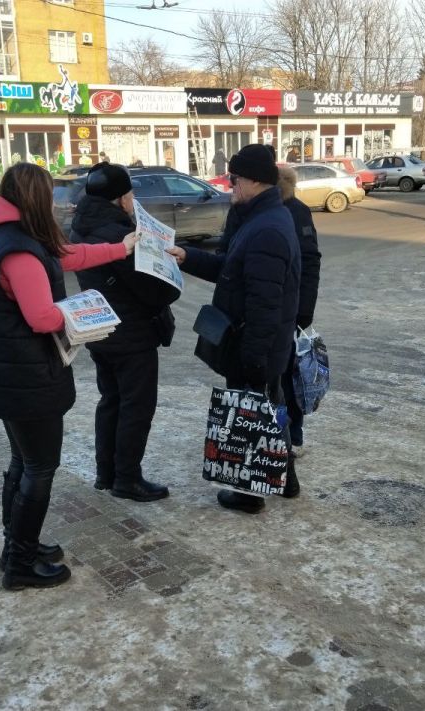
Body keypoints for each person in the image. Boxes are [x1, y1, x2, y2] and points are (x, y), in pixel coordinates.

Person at [0, 162, 139, 590]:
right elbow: (42, 316)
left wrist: (121, 248)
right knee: (40, 467)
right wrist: (82, 313)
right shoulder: (20, 251)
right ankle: (20, 564)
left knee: (23, 462)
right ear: (33, 199)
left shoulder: (11, 236)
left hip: (12, 372)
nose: (56, 202)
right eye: (49, 195)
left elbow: (70, 254)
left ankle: (18, 546)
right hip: (27, 377)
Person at [167, 144, 301, 514]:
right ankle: (286, 479)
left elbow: (265, 305)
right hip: (257, 342)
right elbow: (232, 270)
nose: (230, 185)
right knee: (270, 409)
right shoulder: (261, 218)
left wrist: (254, 358)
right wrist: (187, 256)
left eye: (235, 178)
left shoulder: (267, 229)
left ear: (255, 180)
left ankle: (248, 494)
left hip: (254, 343)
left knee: (249, 413)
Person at [70, 163, 181, 502]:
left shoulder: (81, 226)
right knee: (136, 406)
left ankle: (107, 473)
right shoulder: (119, 235)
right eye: (131, 194)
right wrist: (170, 274)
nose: (134, 200)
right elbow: (153, 290)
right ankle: (127, 479)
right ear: (119, 198)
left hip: (101, 331)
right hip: (132, 334)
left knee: (111, 400)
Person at [275, 165, 321, 457]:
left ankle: (294, 436)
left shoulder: (297, 211)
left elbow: (311, 262)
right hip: (271, 309)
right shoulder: (254, 211)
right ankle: (278, 435)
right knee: (277, 377)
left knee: (291, 377)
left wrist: (305, 310)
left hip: (292, 310)